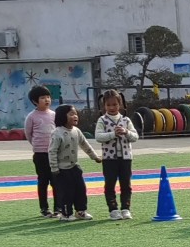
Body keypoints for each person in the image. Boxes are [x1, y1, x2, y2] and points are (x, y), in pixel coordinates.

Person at [49, 104, 101, 221]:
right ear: (63, 116)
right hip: (62, 169)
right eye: (71, 114)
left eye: (76, 114)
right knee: (67, 193)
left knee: (81, 189)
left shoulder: (76, 131)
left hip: (74, 167)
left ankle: (81, 211)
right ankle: (66, 214)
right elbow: (52, 151)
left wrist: (95, 157)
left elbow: (85, 144)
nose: (75, 116)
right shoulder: (57, 133)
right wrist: (54, 168)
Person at [94, 89, 139, 220]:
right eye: (108, 105)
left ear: (120, 104)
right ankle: (113, 209)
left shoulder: (126, 120)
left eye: (114, 104)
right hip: (109, 159)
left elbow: (135, 136)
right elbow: (98, 136)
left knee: (126, 184)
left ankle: (126, 208)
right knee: (110, 184)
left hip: (126, 158)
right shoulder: (102, 120)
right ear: (104, 106)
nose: (112, 107)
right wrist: (113, 134)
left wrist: (126, 132)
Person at [24, 85, 58, 217]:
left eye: (48, 97)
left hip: (54, 153)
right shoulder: (32, 117)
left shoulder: (54, 115)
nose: (47, 100)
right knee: (43, 181)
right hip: (40, 154)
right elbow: (28, 134)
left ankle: (58, 208)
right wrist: (37, 146)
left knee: (56, 181)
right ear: (35, 101)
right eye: (43, 98)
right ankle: (44, 208)